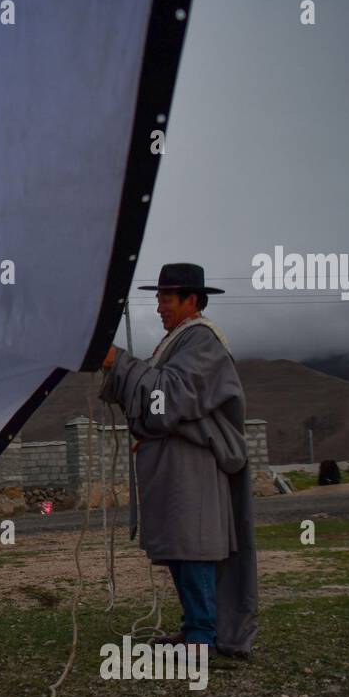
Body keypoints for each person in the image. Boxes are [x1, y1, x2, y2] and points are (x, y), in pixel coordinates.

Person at [98, 263, 258, 657]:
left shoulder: (201, 341)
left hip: (195, 466)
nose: (158, 308)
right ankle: (194, 630)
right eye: (157, 299)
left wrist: (118, 361)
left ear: (191, 300)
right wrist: (119, 369)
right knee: (181, 546)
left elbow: (167, 398)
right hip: (177, 466)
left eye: (166, 299)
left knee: (195, 545)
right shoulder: (178, 343)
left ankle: (202, 636)